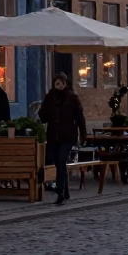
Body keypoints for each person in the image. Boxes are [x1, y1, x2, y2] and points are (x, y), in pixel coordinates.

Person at [38, 74, 87, 206]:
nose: (58, 86)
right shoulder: (50, 98)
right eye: (56, 84)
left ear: (65, 84)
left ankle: (60, 193)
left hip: (68, 136)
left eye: (60, 83)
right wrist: (42, 110)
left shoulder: (72, 99)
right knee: (59, 164)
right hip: (53, 136)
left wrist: (83, 135)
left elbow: (80, 118)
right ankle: (65, 192)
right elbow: (43, 118)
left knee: (61, 159)